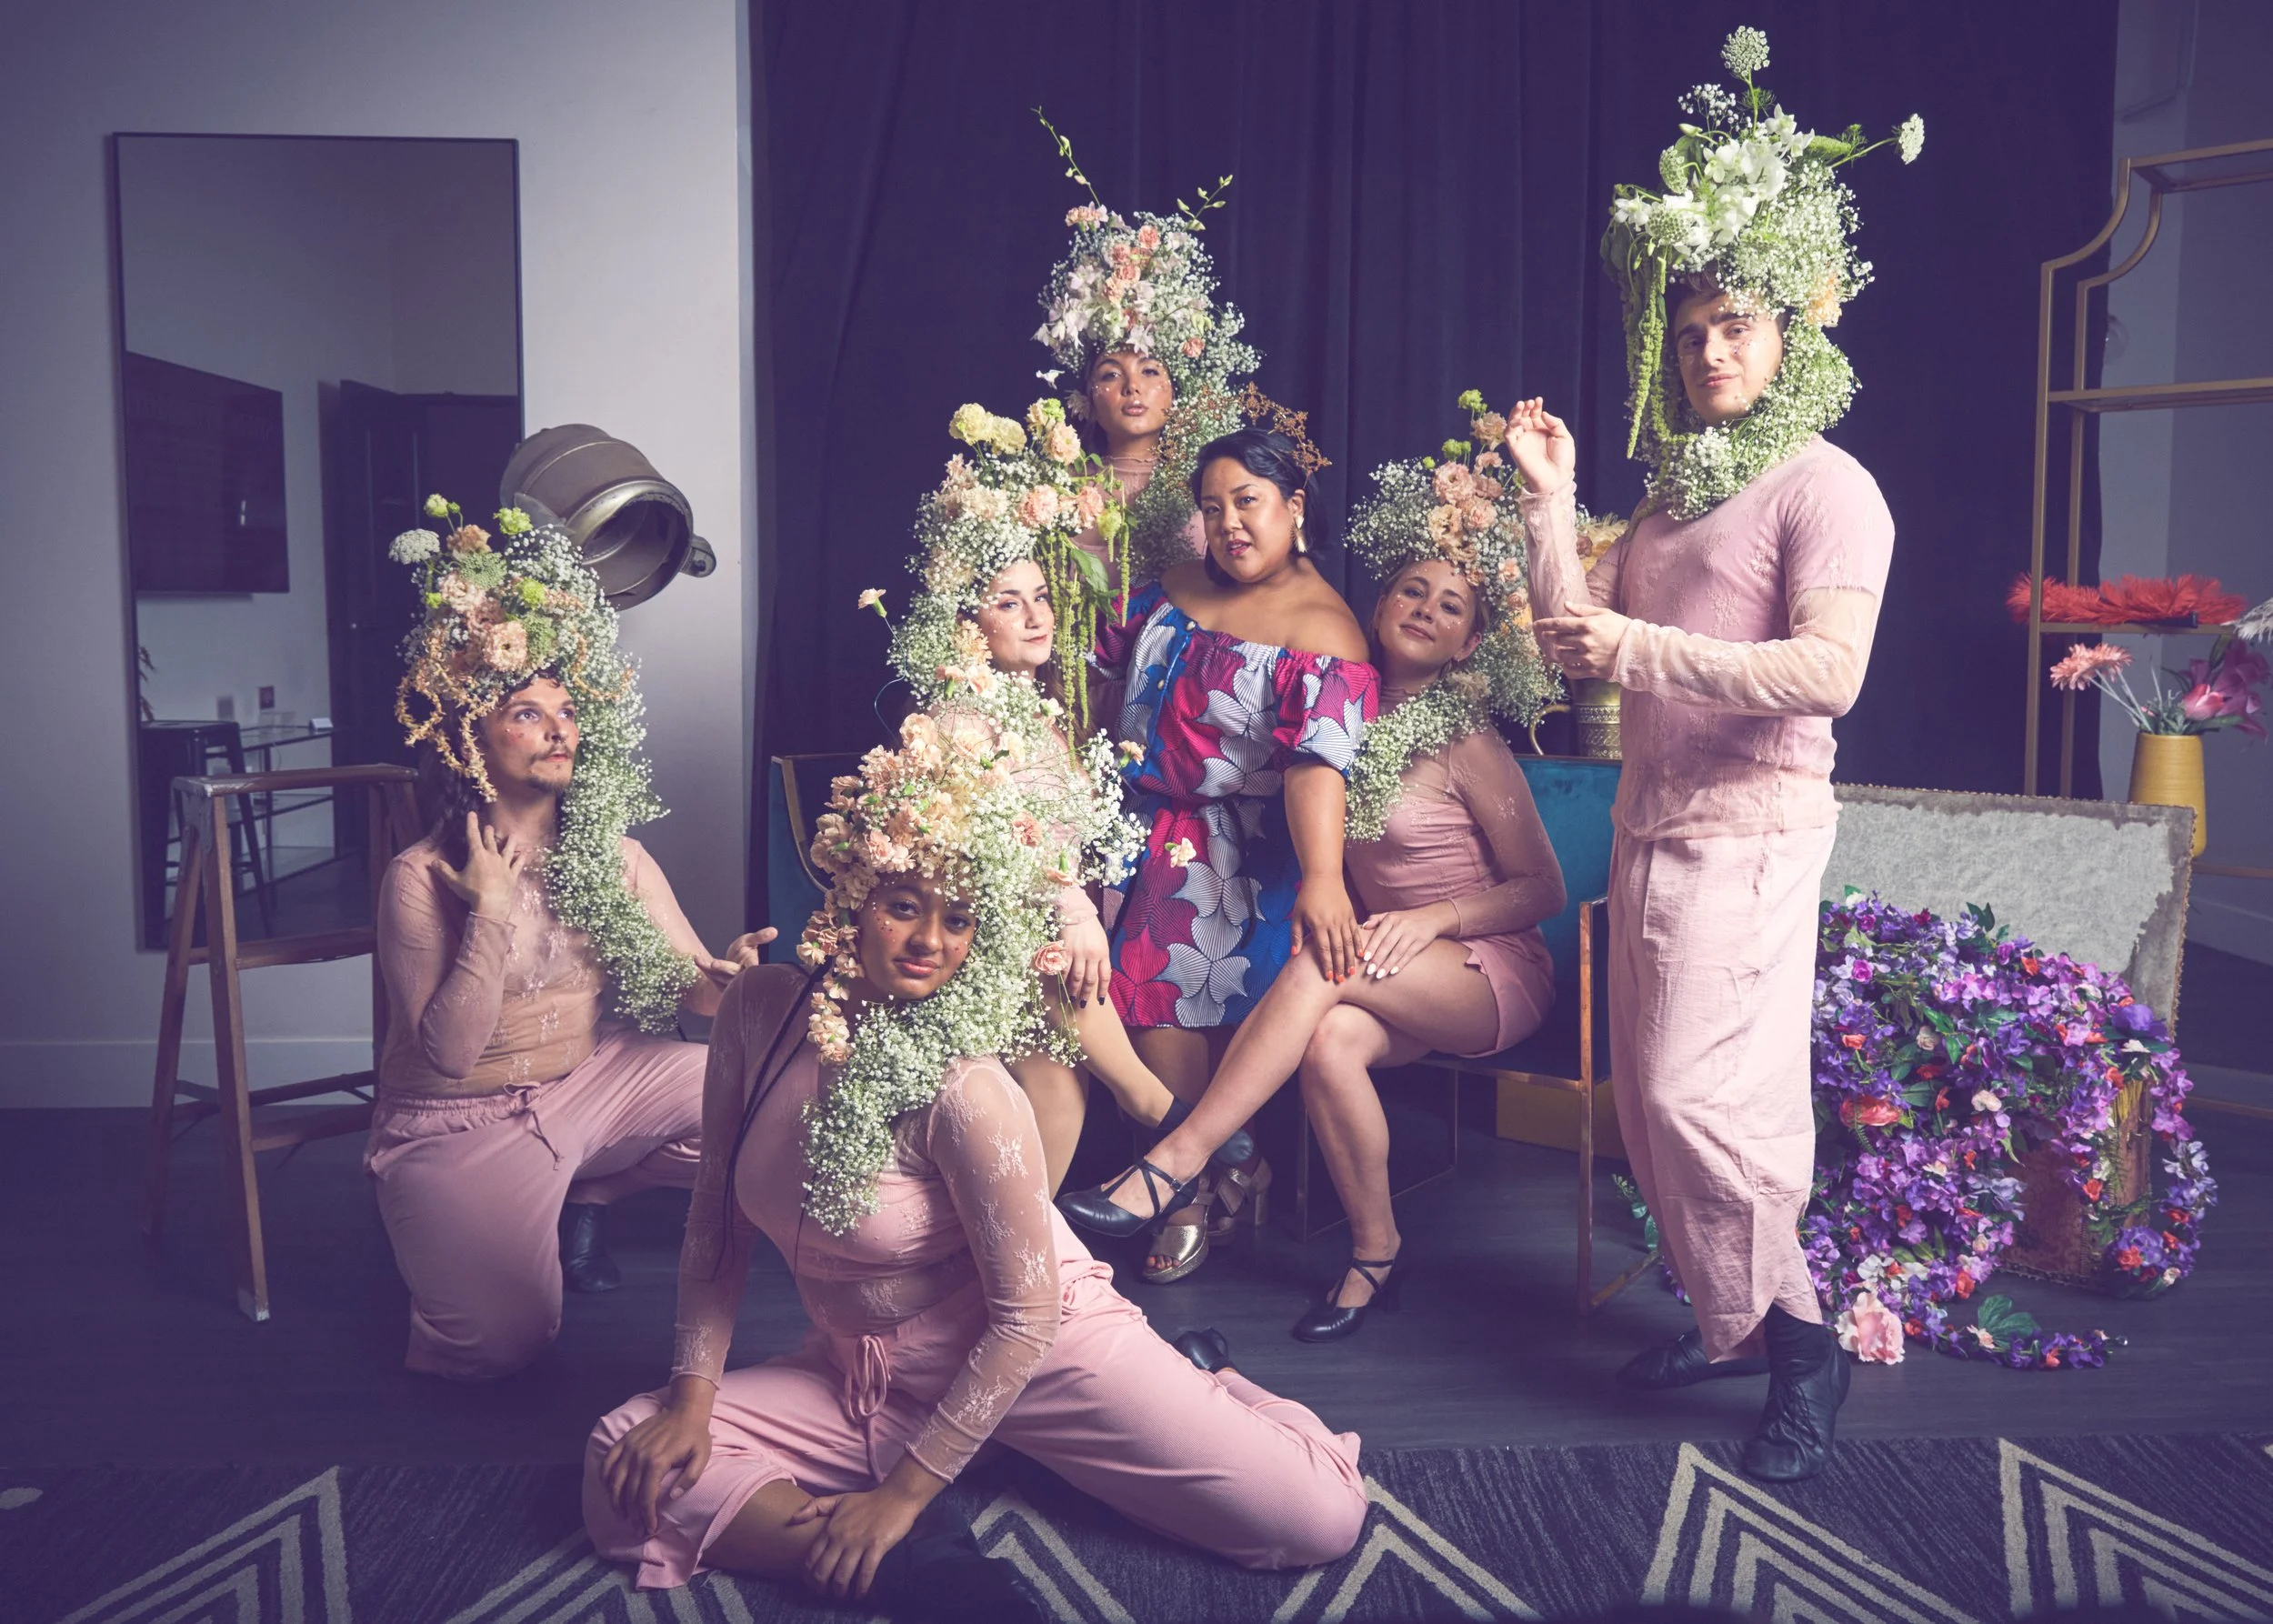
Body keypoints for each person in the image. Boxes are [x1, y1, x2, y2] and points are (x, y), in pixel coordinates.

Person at [582, 721, 1367, 1616]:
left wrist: (901, 1493)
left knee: (1317, 1518)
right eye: (903, 904)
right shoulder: (760, 1013)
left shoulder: (969, 1087)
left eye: (958, 918)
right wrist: (692, 1402)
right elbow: (715, 1219)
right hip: (865, 1374)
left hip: (1037, 1351)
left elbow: (1025, 1318)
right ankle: (914, 1567)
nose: (929, 939)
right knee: (625, 1456)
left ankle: (1198, 1384)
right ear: (852, 893)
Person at [1510, 30, 1914, 1481]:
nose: (1710, 351)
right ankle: (1727, 1315)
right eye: (1689, 332)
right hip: (1650, 820)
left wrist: (1641, 646)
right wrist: (1550, 506)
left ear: (1790, 332)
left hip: (1753, 827)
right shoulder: (1675, 499)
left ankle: (1803, 1346)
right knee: (1650, 1104)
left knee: (1702, 1099)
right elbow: (1576, 649)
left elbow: (1828, 672)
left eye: (1735, 324)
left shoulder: (1828, 485)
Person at [1063, 400, 1567, 1327]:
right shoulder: (1355, 706)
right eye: (1409, 593)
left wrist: (1423, 918)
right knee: (1331, 1043)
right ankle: (1375, 1254)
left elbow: (1544, 889)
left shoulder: (1462, 737)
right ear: (1378, 605)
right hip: (1390, 960)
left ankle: (1178, 1163)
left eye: (1449, 606)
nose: (1422, 610)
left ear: (1470, 642)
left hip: (1484, 963)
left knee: (1317, 965)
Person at [368, 497, 769, 1379]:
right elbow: (449, 1055)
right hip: (461, 1118)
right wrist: (491, 909)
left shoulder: (610, 855)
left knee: (774, 1093)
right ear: (469, 737)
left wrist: (733, 975)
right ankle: (463, 1224)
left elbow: (694, 993)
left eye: (566, 711)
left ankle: (589, 1185)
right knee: (501, 1348)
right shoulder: (418, 877)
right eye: (526, 712)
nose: (559, 730)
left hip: (593, 1081)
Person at [881, 409, 1251, 1189]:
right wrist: (1070, 909)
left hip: (1049, 947)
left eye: (1042, 597)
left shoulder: (1048, 715)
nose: (1037, 615)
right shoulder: (955, 721)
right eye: (1008, 602)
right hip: (977, 939)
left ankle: (1025, 1242)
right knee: (1055, 967)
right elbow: (975, 856)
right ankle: (1160, 1111)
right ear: (967, 625)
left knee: (1058, 1079)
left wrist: (1085, 906)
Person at [1091, 415, 1379, 1281]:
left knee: (1157, 989)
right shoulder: (1173, 585)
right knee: (1110, 1000)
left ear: (1295, 505)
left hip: (1231, 847)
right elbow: (1096, 669)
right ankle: (1234, 1164)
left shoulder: (1324, 629)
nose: (1230, 525)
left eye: (1248, 502)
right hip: (1129, 821)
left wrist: (1324, 878)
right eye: (1213, 508)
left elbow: (1318, 765)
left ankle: (1180, 1188)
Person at [1031, 119, 1259, 598]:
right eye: (1110, 374)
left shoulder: (1211, 489)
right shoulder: (1054, 489)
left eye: (1150, 371)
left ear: (1176, 392)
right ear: (1088, 399)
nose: (1132, 387)